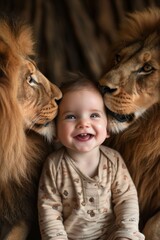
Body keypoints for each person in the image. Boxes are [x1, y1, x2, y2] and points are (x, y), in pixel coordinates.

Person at [38, 73, 145, 240]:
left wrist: (126, 233)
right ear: (55, 132)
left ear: (108, 127)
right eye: (71, 116)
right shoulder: (54, 165)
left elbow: (126, 199)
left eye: (94, 115)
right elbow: (49, 210)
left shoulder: (114, 160)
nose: (83, 123)